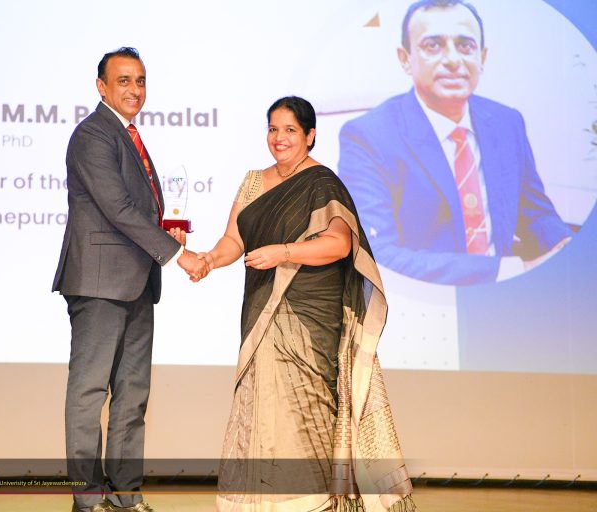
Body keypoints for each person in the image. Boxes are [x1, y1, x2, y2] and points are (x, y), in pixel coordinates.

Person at [188, 96, 415, 511]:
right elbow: (234, 239)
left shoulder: (322, 182)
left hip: (308, 319)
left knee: (303, 412)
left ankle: (309, 503)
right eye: (273, 129)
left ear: (310, 136)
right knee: (261, 409)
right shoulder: (253, 182)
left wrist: (284, 252)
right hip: (262, 311)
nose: (279, 138)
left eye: (290, 130)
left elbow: (339, 244)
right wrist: (209, 260)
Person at [52, 47, 207, 512]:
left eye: (140, 80)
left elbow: (133, 211)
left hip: (137, 282)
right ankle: (88, 499)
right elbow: (117, 208)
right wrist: (177, 254)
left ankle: (125, 496)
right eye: (123, 80)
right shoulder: (92, 135)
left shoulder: (129, 135)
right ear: (101, 87)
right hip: (100, 284)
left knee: (132, 397)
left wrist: (166, 230)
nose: (134, 89)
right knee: (89, 392)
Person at [337, 0, 572, 286]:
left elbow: (535, 214)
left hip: (510, 296)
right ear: (405, 59)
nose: (452, 59)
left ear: (482, 57)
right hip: (426, 300)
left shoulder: (507, 122)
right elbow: (375, 253)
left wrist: (566, 248)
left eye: (465, 45)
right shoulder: (368, 137)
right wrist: (510, 270)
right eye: (433, 45)